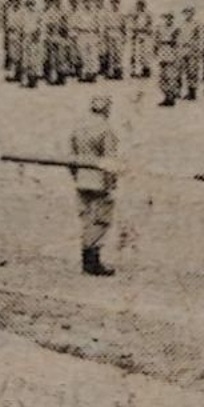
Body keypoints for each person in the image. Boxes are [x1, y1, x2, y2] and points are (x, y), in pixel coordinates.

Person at [68, 96, 120, 277]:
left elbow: (71, 157)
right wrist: (112, 181)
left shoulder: (79, 127)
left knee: (86, 219)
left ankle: (87, 260)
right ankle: (92, 261)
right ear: (107, 109)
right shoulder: (106, 129)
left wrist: (76, 175)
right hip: (99, 181)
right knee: (100, 221)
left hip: (82, 178)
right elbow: (109, 160)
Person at [155, 12, 181, 107]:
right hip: (162, 52)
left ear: (172, 19)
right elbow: (156, 41)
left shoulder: (175, 29)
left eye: (169, 18)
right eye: (166, 18)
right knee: (162, 76)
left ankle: (171, 97)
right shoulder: (160, 28)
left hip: (171, 52)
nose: (167, 20)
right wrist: (156, 51)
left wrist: (177, 54)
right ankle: (166, 97)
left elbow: (177, 42)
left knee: (171, 76)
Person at [128, 0, 153, 79]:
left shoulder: (147, 15)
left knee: (145, 54)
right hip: (137, 36)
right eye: (138, 5)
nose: (139, 7)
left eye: (141, 5)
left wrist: (146, 30)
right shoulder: (135, 15)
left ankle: (146, 70)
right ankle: (135, 71)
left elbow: (150, 26)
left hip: (145, 36)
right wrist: (134, 33)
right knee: (135, 54)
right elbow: (132, 26)